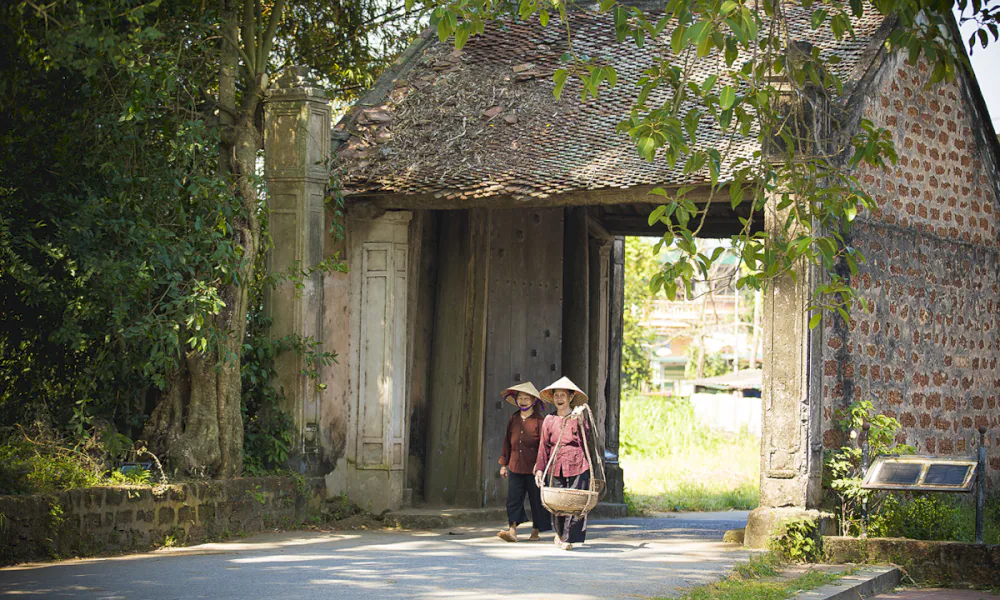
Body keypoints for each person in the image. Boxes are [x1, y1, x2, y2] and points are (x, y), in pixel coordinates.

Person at [534, 376, 592, 550]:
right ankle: (560, 534)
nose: (559, 398)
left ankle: (569, 539)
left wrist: (581, 421)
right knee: (558, 503)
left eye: (563, 395)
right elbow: (543, 446)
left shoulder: (578, 417)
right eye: (556, 395)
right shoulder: (549, 420)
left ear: (570, 397)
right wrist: (539, 470)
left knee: (574, 503)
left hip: (577, 463)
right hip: (555, 464)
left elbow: (588, 441)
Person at [497, 382, 552, 543]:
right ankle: (512, 531)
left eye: (526, 398)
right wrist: (503, 464)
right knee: (513, 499)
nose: (522, 401)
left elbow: (544, 445)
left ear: (533, 401)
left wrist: (541, 466)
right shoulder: (513, 419)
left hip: (534, 468)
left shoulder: (539, 421)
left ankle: (535, 531)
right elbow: (507, 442)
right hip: (515, 465)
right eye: (520, 398)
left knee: (536, 500)